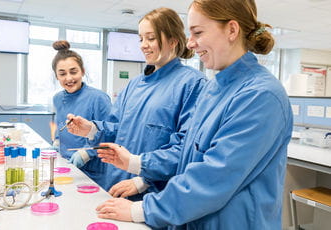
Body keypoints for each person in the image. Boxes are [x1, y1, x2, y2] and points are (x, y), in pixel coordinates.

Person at [95, 0, 293, 229]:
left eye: (198, 32)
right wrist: (142, 173)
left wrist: (142, 209)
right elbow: (185, 155)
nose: (190, 43)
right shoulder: (214, 89)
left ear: (231, 30)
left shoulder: (260, 95)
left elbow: (214, 177)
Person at [67, 8, 206, 198]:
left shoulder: (192, 84)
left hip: (154, 192)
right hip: (116, 182)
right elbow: (116, 128)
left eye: (151, 38)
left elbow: (187, 148)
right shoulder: (135, 84)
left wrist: (144, 180)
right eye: (141, 39)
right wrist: (90, 129)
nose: (143, 45)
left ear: (173, 41)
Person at [51, 40, 112, 186]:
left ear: (82, 71)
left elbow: (110, 134)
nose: (69, 78)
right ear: (56, 76)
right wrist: (57, 141)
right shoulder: (58, 98)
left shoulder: (99, 98)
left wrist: (86, 153)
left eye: (73, 72)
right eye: (62, 74)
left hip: (94, 172)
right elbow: (60, 125)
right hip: (67, 166)